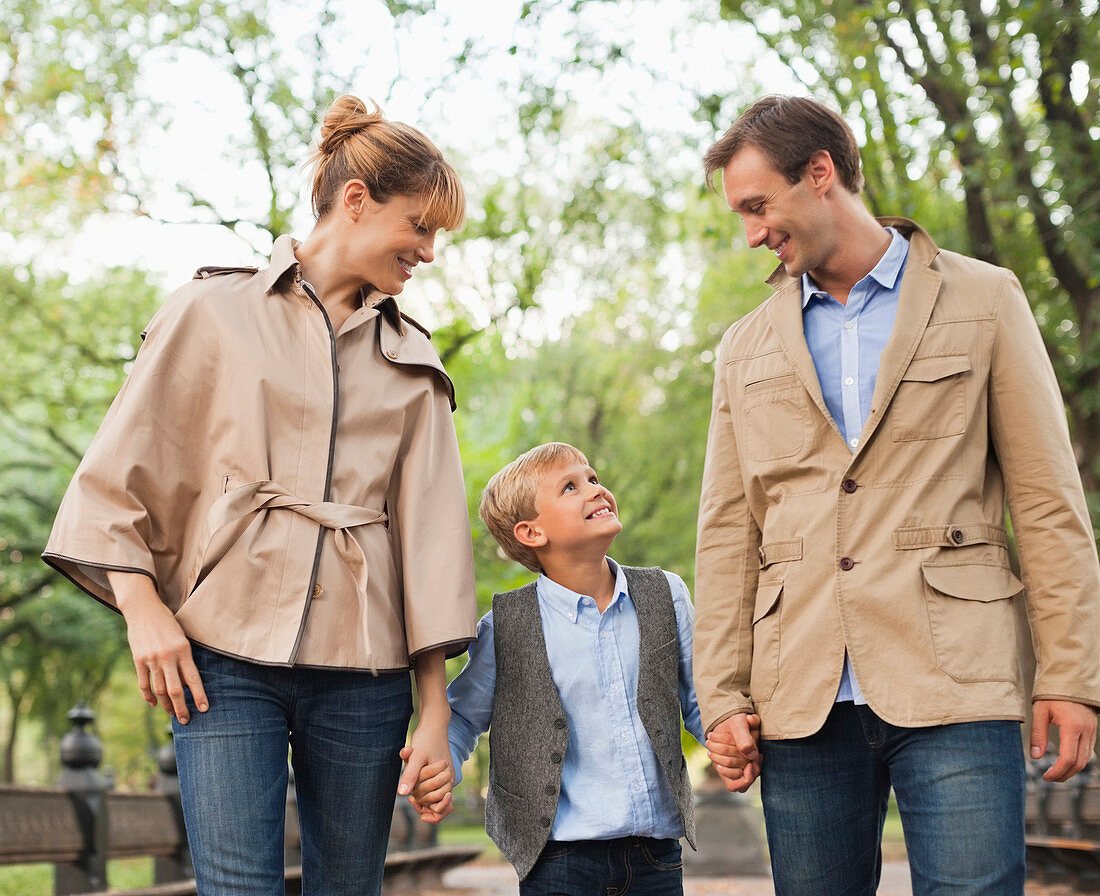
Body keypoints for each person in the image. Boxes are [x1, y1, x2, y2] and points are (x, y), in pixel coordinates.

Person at [42, 95, 478, 896]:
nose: (426, 250)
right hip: (222, 657)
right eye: (419, 225)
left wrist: (436, 710)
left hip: (367, 670)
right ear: (356, 201)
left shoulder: (414, 359)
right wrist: (145, 611)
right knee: (237, 887)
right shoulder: (209, 311)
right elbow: (117, 479)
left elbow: (433, 541)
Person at [693, 94, 1100, 895]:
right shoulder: (744, 348)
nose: (751, 234)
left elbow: (1048, 501)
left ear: (819, 175)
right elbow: (727, 533)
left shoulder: (985, 299)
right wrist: (722, 693)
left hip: (956, 677)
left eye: (757, 206)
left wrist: (1071, 674)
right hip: (800, 691)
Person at [405, 441, 703, 894]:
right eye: (570, 486)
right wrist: (439, 766)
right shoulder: (506, 627)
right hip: (558, 860)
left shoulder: (667, 594)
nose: (594, 490)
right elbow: (461, 716)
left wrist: (729, 737)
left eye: (593, 478)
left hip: (657, 857)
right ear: (531, 533)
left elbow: (702, 698)